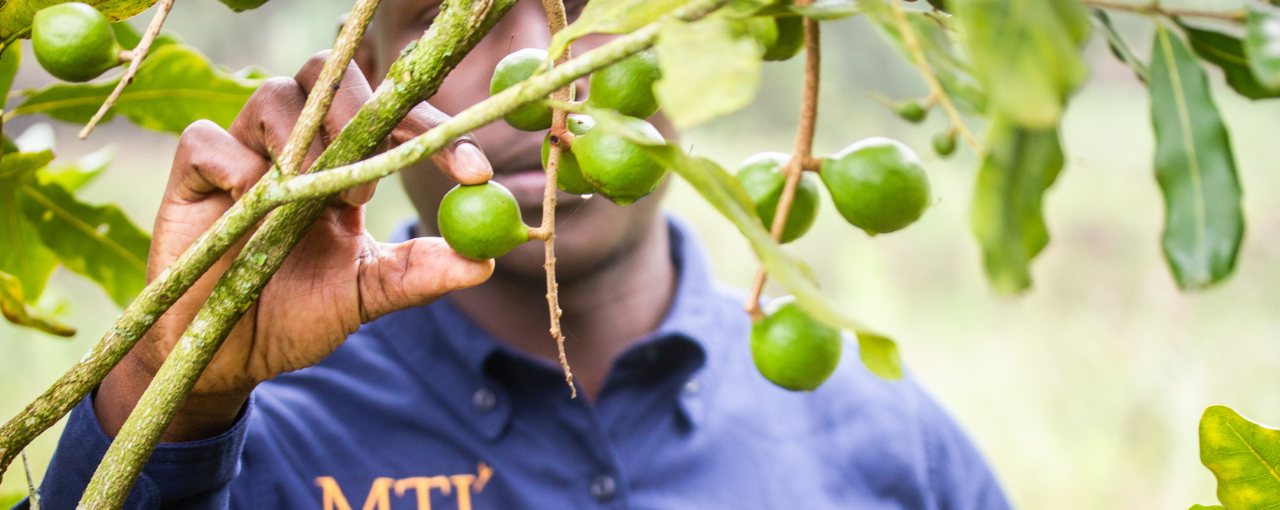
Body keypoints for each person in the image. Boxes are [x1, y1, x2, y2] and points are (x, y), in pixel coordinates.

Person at [33, 1, 1013, 508]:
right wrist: (179, 388)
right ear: (364, 83)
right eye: (448, 24)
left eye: (598, 16)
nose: (543, 78)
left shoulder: (885, 435)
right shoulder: (249, 433)